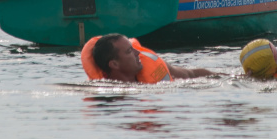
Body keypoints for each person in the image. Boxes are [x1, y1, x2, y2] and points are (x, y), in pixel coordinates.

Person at [82, 34, 215, 83]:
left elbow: (191, 74)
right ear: (114, 64)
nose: (137, 53)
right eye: (129, 51)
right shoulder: (105, 90)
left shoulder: (154, 67)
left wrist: (229, 77)